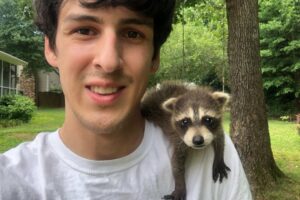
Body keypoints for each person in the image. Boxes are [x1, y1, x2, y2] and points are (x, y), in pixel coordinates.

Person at [0, 0, 252, 199]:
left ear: (154, 57)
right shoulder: (11, 181)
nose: (108, 62)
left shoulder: (211, 152)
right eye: (84, 30)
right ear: (51, 48)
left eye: (132, 34)